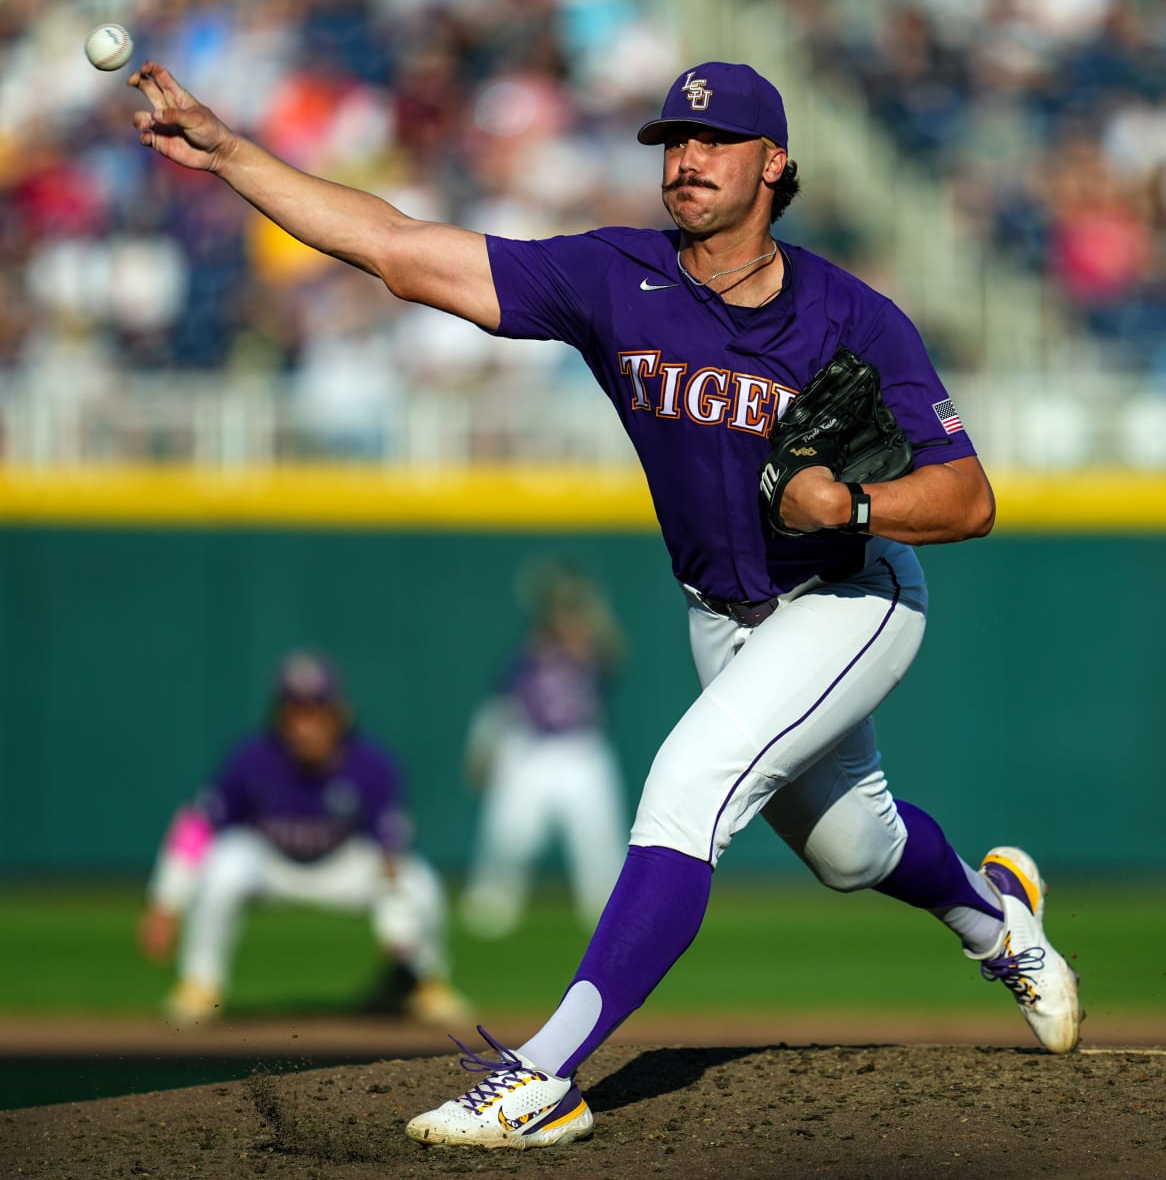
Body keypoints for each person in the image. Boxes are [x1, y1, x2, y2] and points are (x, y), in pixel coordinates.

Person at [129, 58, 1081, 1146]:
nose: (686, 158)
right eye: (672, 139)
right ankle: (999, 921)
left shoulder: (854, 316)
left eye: (714, 141)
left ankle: (544, 1076)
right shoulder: (613, 278)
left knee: (686, 789)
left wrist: (850, 503)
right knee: (851, 852)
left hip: (849, 595)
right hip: (723, 614)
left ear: (775, 164)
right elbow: (398, 251)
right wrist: (234, 156)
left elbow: (970, 499)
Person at [137, 650, 469, 1028]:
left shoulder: (371, 764)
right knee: (224, 864)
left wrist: (397, 917)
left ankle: (424, 981)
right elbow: (199, 824)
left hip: (341, 866)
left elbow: (389, 848)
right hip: (272, 865)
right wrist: (166, 900)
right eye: (294, 711)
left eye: (315, 711)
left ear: (338, 714)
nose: (303, 725)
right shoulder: (253, 758)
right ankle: (200, 984)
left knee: (419, 881)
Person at [458, 559, 628, 938]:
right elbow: (500, 705)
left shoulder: (591, 649)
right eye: (561, 611)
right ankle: (493, 904)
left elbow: (615, 652)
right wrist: (483, 750)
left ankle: (607, 914)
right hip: (532, 752)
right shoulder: (526, 653)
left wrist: (591, 610)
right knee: (509, 835)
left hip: (582, 752)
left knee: (599, 843)